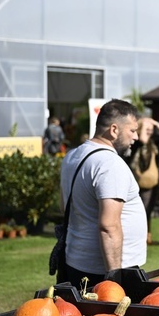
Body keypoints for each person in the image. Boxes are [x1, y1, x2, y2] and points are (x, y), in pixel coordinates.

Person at [59, 99, 146, 288]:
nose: (136, 137)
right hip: (105, 272)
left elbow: (64, 206)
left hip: (77, 261)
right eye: (132, 130)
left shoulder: (72, 156)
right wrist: (114, 280)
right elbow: (109, 226)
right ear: (114, 130)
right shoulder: (109, 163)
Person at [129, 117, 159, 242]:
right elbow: (141, 140)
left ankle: (146, 234)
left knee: (147, 210)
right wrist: (143, 124)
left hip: (151, 182)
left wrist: (155, 122)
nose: (150, 131)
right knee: (138, 210)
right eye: (147, 129)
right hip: (136, 181)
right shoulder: (135, 143)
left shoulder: (152, 143)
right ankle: (139, 235)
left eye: (151, 130)